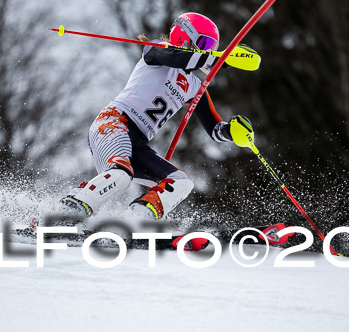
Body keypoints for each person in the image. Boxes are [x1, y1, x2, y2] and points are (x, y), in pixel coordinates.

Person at [56, 12, 254, 223]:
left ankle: (137, 219)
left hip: (139, 143)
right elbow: (177, 57)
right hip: (114, 124)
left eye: (213, 48)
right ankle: (69, 212)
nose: (209, 51)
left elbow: (214, 129)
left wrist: (232, 131)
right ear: (184, 36)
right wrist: (219, 59)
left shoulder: (196, 86)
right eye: (204, 43)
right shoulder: (156, 49)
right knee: (121, 175)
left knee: (180, 182)